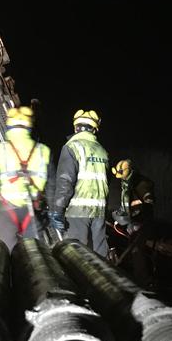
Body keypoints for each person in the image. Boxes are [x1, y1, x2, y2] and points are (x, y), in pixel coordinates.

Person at [0, 106, 56, 251]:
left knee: (6, 256)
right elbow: (52, 186)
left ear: (9, 126)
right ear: (29, 127)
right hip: (32, 211)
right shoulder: (44, 151)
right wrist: (52, 210)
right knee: (36, 259)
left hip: (8, 212)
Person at [49, 109, 110, 257]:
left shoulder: (72, 147)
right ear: (95, 129)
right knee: (99, 257)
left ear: (76, 127)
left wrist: (58, 209)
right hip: (99, 211)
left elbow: (65, 181)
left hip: (78, 212)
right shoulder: (102, 151)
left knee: (76, 258)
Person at [110, 159, 155, 286]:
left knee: (136, 250)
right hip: (132, 222)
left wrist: (137, 217)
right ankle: (133, 275)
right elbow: (127, 203)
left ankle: (143, 281)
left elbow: (147, 199)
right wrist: (121, 213)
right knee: (127, 246)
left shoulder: (140, 182)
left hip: (142, 222)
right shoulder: (126, 183)